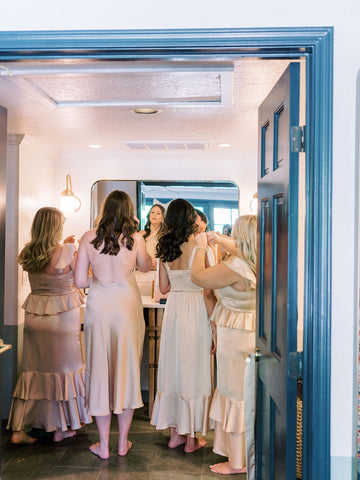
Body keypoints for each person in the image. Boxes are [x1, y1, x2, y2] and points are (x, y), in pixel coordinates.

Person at [75, 190, 152, 459]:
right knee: (127, 369)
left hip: (99, 305)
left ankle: (104, 446)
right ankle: (122, 444)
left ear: (105, 208)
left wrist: (98, 275)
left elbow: (80, 282)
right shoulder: (136, 238)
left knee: (100, 371)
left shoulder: (88, 237)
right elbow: (145, 267)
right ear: (129, 210)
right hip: (127, 305)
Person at [7, 207, 91, 445]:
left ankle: (19, 430)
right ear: (56, 225)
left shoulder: (28, 251)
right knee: (64, 373)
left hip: (34, 319)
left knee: (34, 374)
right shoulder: (66, 251)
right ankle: (61, 428)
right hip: (62, 319)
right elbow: (82, 279)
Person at [191, 215, 257, 475]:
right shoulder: (262, 257)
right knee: (245, 395)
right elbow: (243, 246)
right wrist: (218, 239)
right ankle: (244, 453)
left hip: (234, 340)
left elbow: (199, 278)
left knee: (234, 396)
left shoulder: (236, 267)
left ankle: (237, 462)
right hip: (249, 333)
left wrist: (200, 247)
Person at [150, 198, 217, 453]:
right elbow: (209, 290)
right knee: (195, 371)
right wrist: (214, 327)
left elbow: (163, 288)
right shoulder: (201, 247)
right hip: (197, 308)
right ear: (191, 218)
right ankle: (192, 439)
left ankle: (174, 434)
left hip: (174, 309)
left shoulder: (164, 247)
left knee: (174, 369)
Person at [140, 203, 166, 268]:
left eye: (158, 213)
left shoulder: (165, 236)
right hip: (143, 269)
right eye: (152, 212)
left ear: (163, 218)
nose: (154, 215)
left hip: (159, 270)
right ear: (149, 215)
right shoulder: (141, 234)